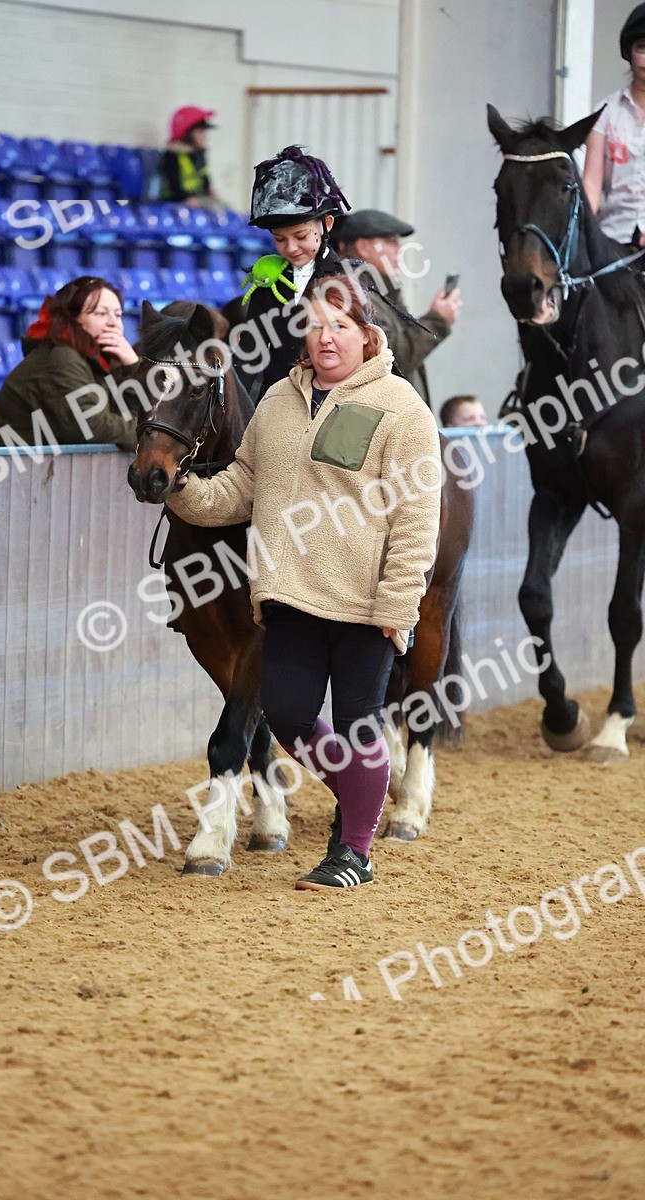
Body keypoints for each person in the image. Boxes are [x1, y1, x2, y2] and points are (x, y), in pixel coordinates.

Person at [166, 276, 441, 891]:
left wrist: (399, 603)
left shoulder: (402, 409)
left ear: (367, 337)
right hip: (288, 596)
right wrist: (185, 492)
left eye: (339, 327)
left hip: (364, 602)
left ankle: (354, 853)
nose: (325, 338)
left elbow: (418, 518)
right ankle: (365, 792)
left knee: (359, 724)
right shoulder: (276, 404)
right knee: (289, 716)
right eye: (315, 326)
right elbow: (239, 487)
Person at [242, 144, 352, 402]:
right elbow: (249, 357)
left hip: (335, 401)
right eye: (279, 239)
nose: (290, 248)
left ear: (327, 224)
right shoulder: (267, 284)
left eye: (301, 236)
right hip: (279, 403)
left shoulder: (349, 280)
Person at [0, 276, 140, 448]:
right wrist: (149, 435)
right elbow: (92, 428)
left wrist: (132, 366)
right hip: (10, 470)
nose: (114, 324)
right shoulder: (60, 358)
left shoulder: (103, 358)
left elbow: (140, 411)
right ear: (72, 319)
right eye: (100, 314)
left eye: (118, 315)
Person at [335, 209, 462, 408]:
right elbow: (390, 359)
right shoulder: (353, 293)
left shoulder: (376, 291)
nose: (398, 250)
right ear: (363, 247)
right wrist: (437, 320)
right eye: (390, 241)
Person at [583, 3, 645, 247]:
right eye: (642, 47)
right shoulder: (607, 112)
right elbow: (592, 182)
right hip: (613, 239)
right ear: (628, 53)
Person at [159, 106, 217, 206]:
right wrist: (186, 198)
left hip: (196, 203)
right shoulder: (172, 157)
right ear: (187, 134)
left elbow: (204, 179)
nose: (204, 136)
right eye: (200, 132)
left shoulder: (199, 155)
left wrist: (208, 192)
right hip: (175, 206)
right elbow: (173, 186)